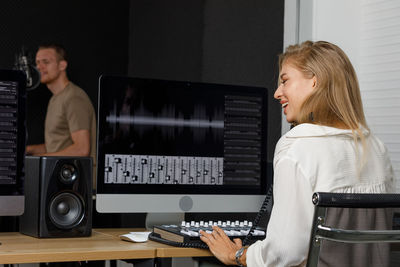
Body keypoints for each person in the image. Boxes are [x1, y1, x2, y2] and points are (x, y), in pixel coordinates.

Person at [199, 41, 395, 266]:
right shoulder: (378, 149)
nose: (276, 93)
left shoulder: (298, 148)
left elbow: (284, 252)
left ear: (315, 81)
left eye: (284, 81)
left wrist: (236, 255)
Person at [26, 44, 96, 184]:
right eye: (38, 63)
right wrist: (29, 150)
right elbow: (57, 145)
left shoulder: (74, 98)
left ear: (62, 65)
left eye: (46, 62)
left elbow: (82, 149)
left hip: (78, 183)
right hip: (61, 177)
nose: (40, 67)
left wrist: (38, 160)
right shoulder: (55, 98)